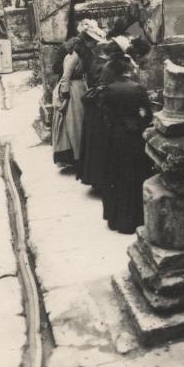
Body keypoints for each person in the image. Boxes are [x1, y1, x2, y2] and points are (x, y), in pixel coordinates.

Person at [99, 55, 154, 234]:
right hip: (134, 136)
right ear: (126, 70)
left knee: (116, 175)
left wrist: (117, 125)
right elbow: (148, 114)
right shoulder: (138, 88)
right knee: (136, 174)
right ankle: (136, 218)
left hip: (115, 137)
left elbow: (106, 117)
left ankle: (116, 219)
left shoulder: (108, 90)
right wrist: (138, 123)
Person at [78, 39, 124, 189]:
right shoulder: (106, 66)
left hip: (96, 107)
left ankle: (98, 179)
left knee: (96, 144)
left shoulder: (97, 62)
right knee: (102, 144)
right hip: (100, 107)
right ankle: (102, 180)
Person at [51, 37, 88, 168]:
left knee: (76, 124)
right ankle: (76, 156)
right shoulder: (72, 57)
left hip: (78, 88)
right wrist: (66, 98)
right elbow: (65, 78)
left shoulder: (76, 56)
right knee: (73, 124)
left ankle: (78, 154)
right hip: (72, 91)